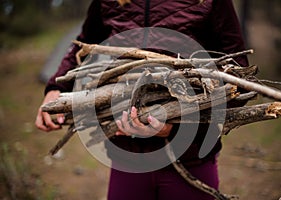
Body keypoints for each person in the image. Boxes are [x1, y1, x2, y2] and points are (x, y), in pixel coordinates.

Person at [36, 0, 249, 199]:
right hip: (128, 156)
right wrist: (56, 87)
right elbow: (84, 43)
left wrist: (178, 126)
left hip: (191, 157)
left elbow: (237, 77)